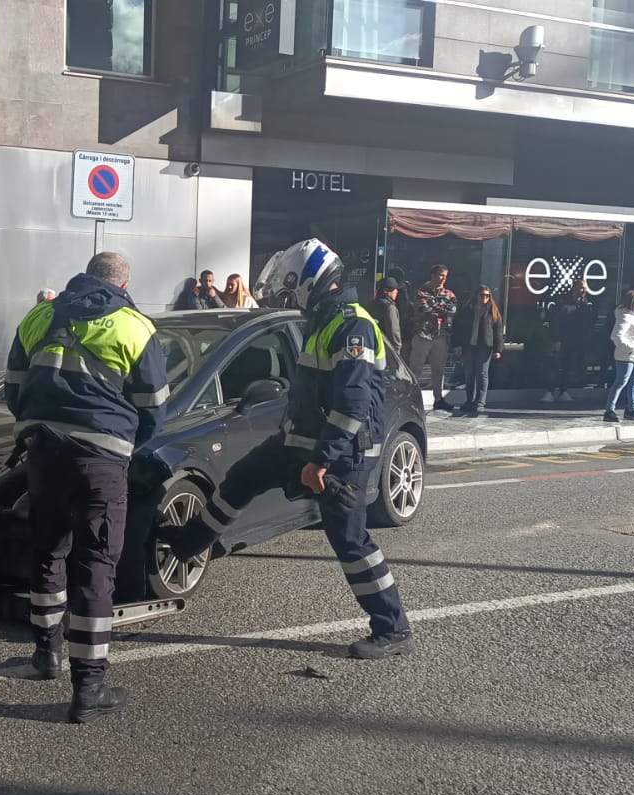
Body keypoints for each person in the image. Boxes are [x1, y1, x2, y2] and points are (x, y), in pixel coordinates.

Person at [160, 239, 413, 660]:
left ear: (310, 281)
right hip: (301, 444)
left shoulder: (353, 326)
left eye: (289, 286)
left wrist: (320, 461)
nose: (285, 294)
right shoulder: (323, 320)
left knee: (350, 541)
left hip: (341, 455)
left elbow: (352, 406)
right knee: (241, 479)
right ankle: (190, 543)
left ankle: (393, 627)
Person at [4, 251, 169, 723]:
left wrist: (37, 426)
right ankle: (89, 687)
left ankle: (45, 654)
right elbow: (154, 408)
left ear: (85, 275)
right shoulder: (136, 327)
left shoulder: (38, 315)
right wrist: (125, 444)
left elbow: (14, 389)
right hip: (101, 459)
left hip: (44, 451)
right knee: (96, 565)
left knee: (48, 551)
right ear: (123, 282)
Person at [406, 264, 458, 412]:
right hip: (423, 334)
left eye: (445, 276)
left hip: (441, 336)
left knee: (438, 369)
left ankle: (438, 399)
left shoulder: (449, 293)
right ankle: (411, 399)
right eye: (440, 275)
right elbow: (423, 309)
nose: (443, 279)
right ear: (433, 275)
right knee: (416, 368)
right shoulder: (421, 292)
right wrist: (440, 308)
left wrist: (435, 306)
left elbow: (452, 310)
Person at [541, 277, 597, 403]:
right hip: (562, 339)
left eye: (585, 288)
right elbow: (555, 321)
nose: (583, 290)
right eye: (581, 287)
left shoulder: (588, 303)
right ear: (574, 287)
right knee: (555, 366)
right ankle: (549, 391)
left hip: (577, 340)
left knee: (569, 366)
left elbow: (590, 322)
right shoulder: (562, 301)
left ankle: (563, 390)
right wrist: (556, 339)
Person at [453, 285, 504, 417]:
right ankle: (469, 400)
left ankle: (480, 402)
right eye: (482, 295)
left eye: (487, 295)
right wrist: (457, 345)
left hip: (484, 346)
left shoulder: (493, 311)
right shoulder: (467, 310)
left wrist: (498, 349)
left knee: (482, 373)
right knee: (469, 373)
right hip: (469, 345)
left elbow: (498, 331)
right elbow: (459, 328)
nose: (484, 298)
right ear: (476, 295)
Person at [605, 289, 634, 422]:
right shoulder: (625, 316)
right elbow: (616, 336)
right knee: (621, 382)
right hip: (627, 355)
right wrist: (630, 348)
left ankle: (632, 408)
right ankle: (609, 410)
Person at [364, 277, 405, 356]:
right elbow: (393, 330)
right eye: (394, 289)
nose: (397, 291)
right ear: (386, 291)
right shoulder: (389, 307)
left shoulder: (371, 304)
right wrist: (397, 348)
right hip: (387, 348)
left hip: (371, 345)